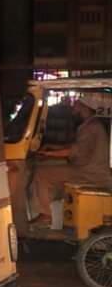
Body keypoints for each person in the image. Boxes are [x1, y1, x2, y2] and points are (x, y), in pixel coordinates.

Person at [30, 96, 112, 228]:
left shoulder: (92, 127)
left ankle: (45, 215)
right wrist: (52, 147)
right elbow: (74, 146)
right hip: (86, 170)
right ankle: (53, 211)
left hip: (90, 174)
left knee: (42, 173)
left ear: (84, 108)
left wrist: (49, 154)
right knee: (53, 170)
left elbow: (75, 151)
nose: (72, 107)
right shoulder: (90, 125)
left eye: (76, 105)